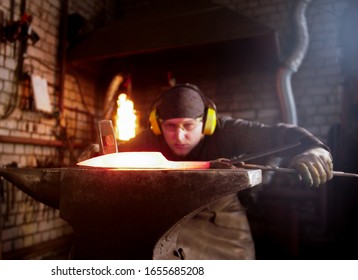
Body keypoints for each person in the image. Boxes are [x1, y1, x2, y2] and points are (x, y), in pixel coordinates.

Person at [115, 83, 333, 259]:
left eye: (188, 126)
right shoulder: (152, 138)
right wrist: (99, 152)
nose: (179, 137)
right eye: (170, 126)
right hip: (170, 218)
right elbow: (114, 154)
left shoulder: (227, 131)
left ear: (207, 122)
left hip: (223, 226)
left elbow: (279, 135)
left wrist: (315, 150)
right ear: (156, 124)